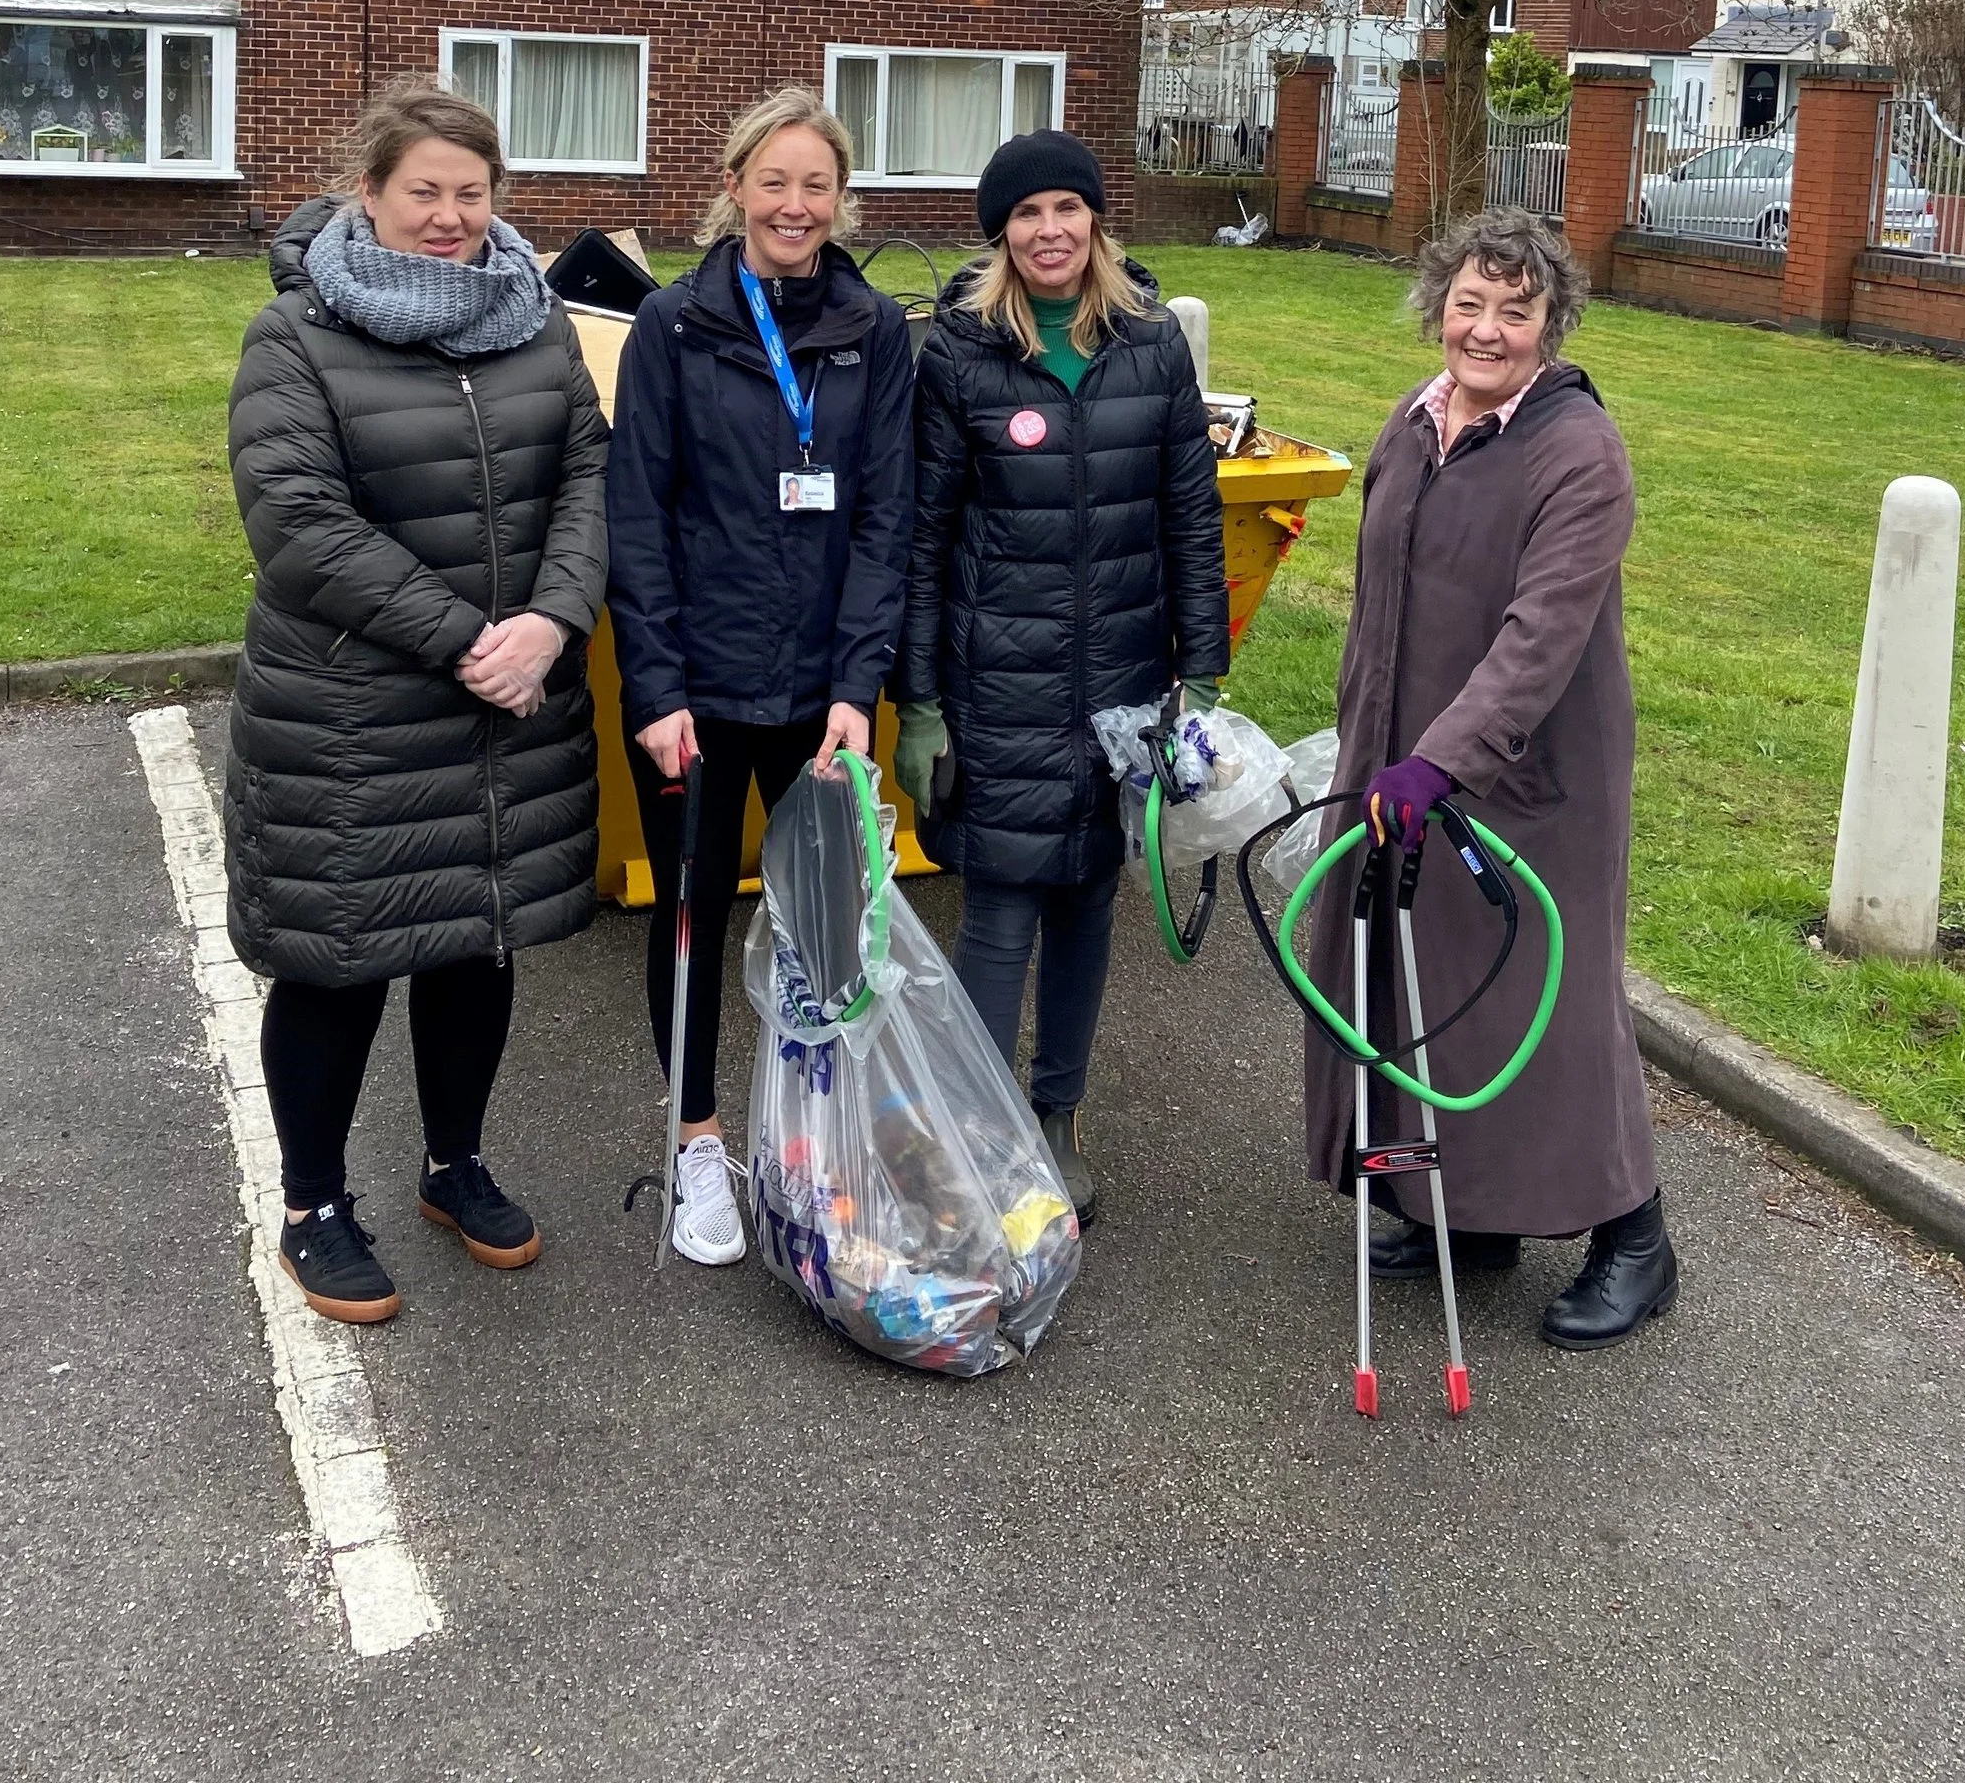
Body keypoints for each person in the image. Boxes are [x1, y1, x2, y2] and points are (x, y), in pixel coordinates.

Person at [223, 75, 610, 1327]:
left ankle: (455, 1164)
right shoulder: (298, 335)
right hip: (353, 718)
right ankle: (314, 1205)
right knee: (342, 959)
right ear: (369, 195)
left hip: (510, 699)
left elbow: (589, 478)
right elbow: (297, 524)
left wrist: (552, 620)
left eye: (471, 193)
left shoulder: (535, 321)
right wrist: (470, 641)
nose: (448, 217)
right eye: (422, 193)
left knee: (474, 936)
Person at [1302, 204, 1676, 1346]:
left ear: (1552, 324)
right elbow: (1380, 610)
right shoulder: (1411, 424)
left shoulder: (1576, 452)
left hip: (1525, 786)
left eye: (1516, 311)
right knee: (1421, 995)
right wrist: (1368, 751)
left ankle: (1634, 1235)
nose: (1487, 330)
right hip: (1396, 770)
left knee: (1544, 1008)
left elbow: (1537, 641)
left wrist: (1441, 762)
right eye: (1469, 303)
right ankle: (1462, 1213)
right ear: (1437, 307)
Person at [895, 130, 1229, 1227]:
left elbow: (1189, 517)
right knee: (999, 910)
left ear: (1096, 222)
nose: (1049, 232)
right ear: (1000, 233)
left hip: (1124, 681)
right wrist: (924, 701)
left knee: (1088, 899)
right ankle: (982, 1137)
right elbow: (922, 535)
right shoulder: (956, 353)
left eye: (1066, 211)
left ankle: (1055, 1119)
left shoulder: (1151, 346)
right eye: (1025, 215)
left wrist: (1204, 678)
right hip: (999, 679)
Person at [606, 85, 916, 1267]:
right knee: (691, 916)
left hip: (820, 694)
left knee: (830, 928)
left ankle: (813, 1136)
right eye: (773, 182)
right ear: (733, 187)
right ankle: (695, 1146)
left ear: (842, 202)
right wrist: (659, 690)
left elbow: (884, 518)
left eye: (817, 186)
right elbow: (637, 519)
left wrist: (858, 683)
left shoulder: (873, 330)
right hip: (697, 688)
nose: (795, 205)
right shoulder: (674, 330)